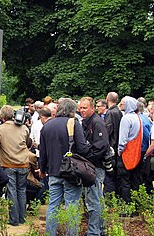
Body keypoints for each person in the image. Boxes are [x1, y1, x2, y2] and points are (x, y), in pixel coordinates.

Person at [39, 98, 91, 236]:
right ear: (72, 111)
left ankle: (50, 233)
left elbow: (42, 152)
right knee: (72, 206)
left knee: (53, 206)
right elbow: (82, 148)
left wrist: (42, 170)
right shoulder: (73, 123)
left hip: (53, 172)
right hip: (71, 172)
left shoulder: (47, 126)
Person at [0, 105, 30, 226]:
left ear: (2, 117)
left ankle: (13, 220)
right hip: (23, 163)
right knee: (22, 190)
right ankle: (22, 218)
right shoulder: (24, 128)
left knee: (12, 191)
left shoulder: (0, 129)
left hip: (8, 164)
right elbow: (27, 141)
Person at [79, 97, 109, 236]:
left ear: (92, 108)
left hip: (95, 167)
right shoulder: (86, 122)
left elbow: (102, 146)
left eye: (85, 108)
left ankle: (94, 232)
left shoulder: (97, 123)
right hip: (91, 166)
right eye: (81, 107)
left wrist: (88, 158)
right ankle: (101, 229)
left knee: (93, 201)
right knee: (96, 199)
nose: (82, 110)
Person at [117, 96, 142, 203]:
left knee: (125, 181)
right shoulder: (137, 117)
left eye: (123, 103)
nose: (120, 104)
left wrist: (119, 151)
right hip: (136, 154)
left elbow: (123, 140)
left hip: (126, 155)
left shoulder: (126, 119)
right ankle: (134, 204)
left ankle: (127, 206)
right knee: (134, 181)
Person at [104, 91, 123, 194]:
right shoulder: (118, 111)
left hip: (112, 147)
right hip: (117, 147)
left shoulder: (111, 113)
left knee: (110, 175)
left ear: (107, 99)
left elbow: (108, 131)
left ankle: (110, 198)